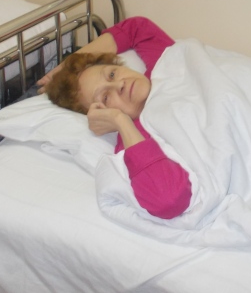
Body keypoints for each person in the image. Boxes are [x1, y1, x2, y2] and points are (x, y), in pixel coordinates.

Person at [38, 17, 192, 219]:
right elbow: (168, 200)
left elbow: (137, 28)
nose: (119, 84)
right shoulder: (136, 139)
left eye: (111, 74)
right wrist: (121, 122)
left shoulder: (163, 66)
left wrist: (67, 64)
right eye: (105, 97)